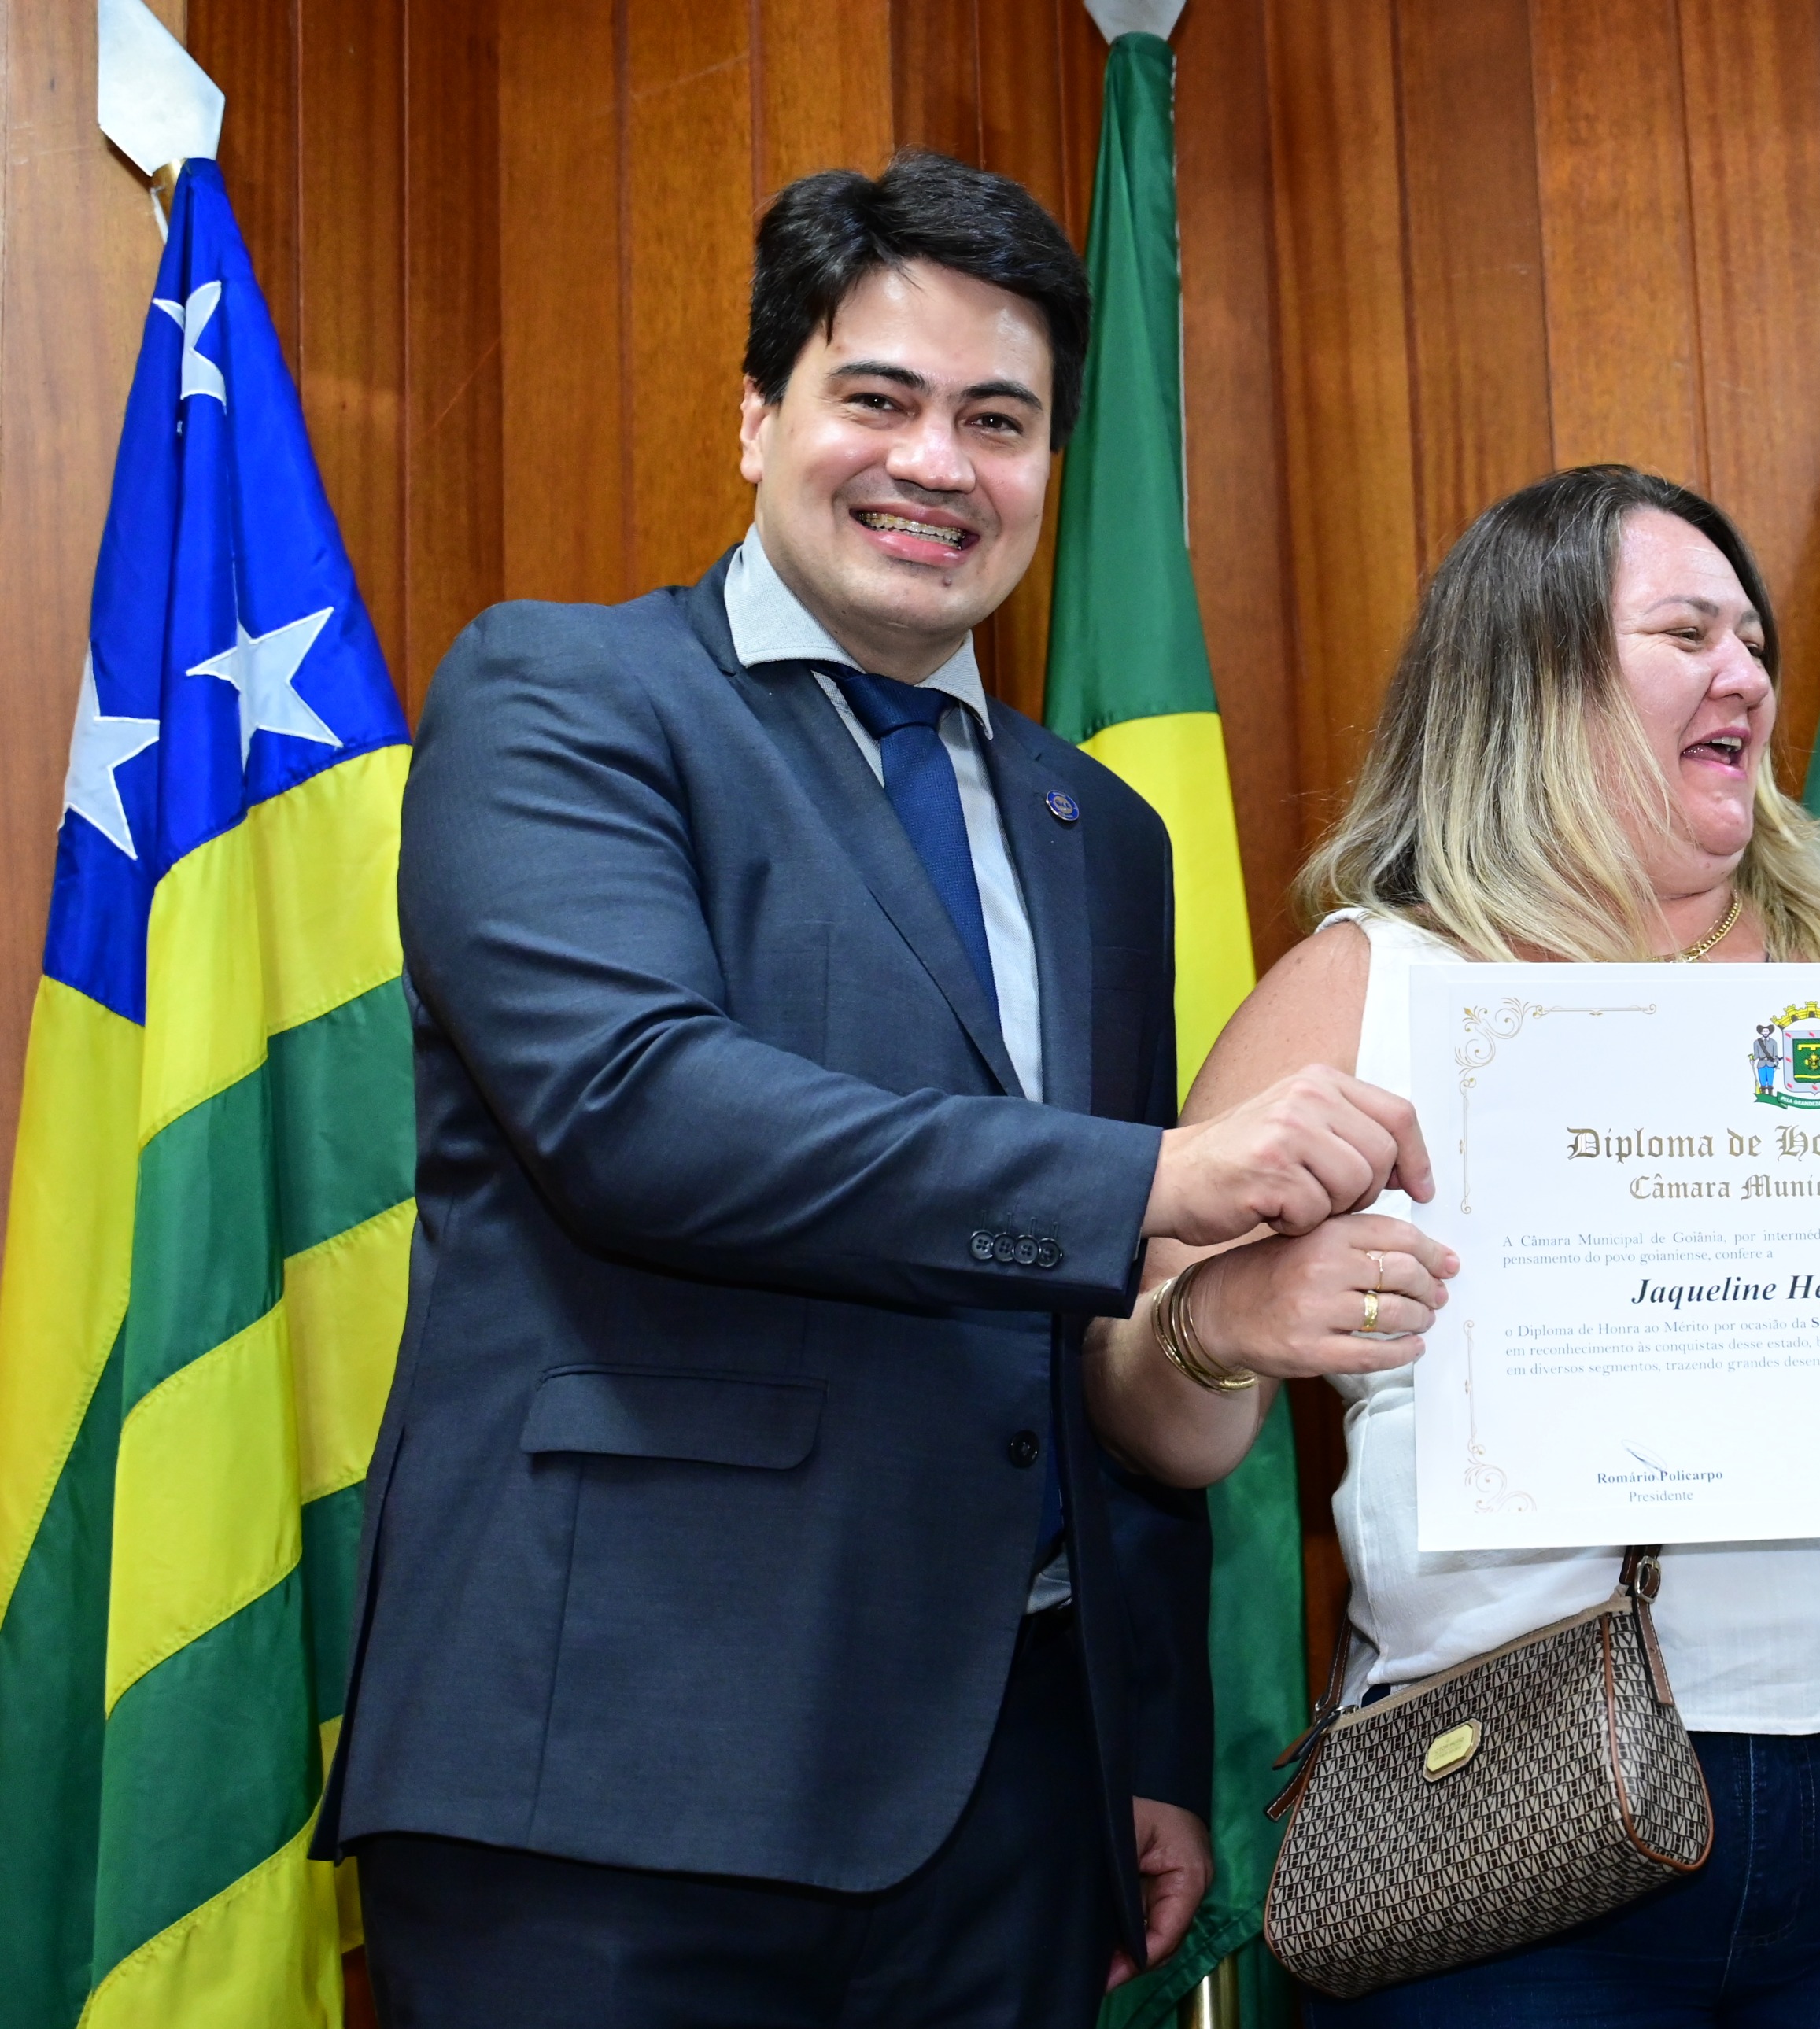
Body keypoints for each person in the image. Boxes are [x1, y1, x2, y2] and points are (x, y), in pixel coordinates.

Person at [319, 152, 1430, 2028]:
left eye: (998, 421)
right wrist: (1154, 1179)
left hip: (1012, 1793)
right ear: (758, 418)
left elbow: (1085, 1335)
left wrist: (1141, 1736)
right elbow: (637, 1115)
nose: (937, 464)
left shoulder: (1101, 831)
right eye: (878, 399)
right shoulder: (562, 697)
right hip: (614, 1775)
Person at [1085, 464, 1820, 2029]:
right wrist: (1220, 1324)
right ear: (1529, 675)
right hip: (1501, 1801)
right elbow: (1154, 1425)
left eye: (1753, 642)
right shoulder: (1363, 987)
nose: (1745, 675)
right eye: (1688, 635)